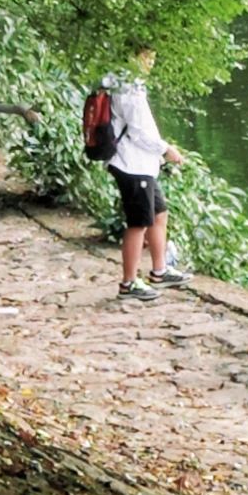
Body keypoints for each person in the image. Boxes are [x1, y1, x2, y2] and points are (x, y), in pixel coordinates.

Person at [103, 45, 188, 303]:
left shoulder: (128, 81)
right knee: (138, 223)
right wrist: (166, 149)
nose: (151, 62)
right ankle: (129, 283)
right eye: (147, 57)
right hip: (131, 164)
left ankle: (159, 270)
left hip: (143, 165)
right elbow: (138, 132)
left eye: (153, 56)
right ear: (132, 56)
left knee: (159, 213)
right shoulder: (126, 85)